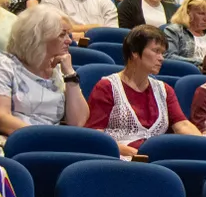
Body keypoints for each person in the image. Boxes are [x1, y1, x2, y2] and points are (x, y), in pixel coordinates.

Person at [83, 26, 198, 156]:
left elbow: (182, 125)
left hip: (156, 159)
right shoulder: (107, 86)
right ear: (135, 52)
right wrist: (136, 154)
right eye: (156, 51)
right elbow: (96, 135)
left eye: (162, 53)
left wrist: (205, 145)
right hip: (118, 157)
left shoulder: (164, 90)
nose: (161, 58)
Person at [0, 6, 89, 134]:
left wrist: (70, 75)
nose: (69, 40)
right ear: (38, 38)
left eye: (68, 34)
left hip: (50, 142)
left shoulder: (57, 69)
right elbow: (0, 118)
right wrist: (42, 137)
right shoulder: (6, 65)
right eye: (62, 34)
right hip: (15, 141)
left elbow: (78, 122)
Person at [162, 0, 206, 67]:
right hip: (188, 73)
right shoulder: (174, 31)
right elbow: (168, 57)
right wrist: (202, 62)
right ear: (188, 12)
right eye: (201, 13)